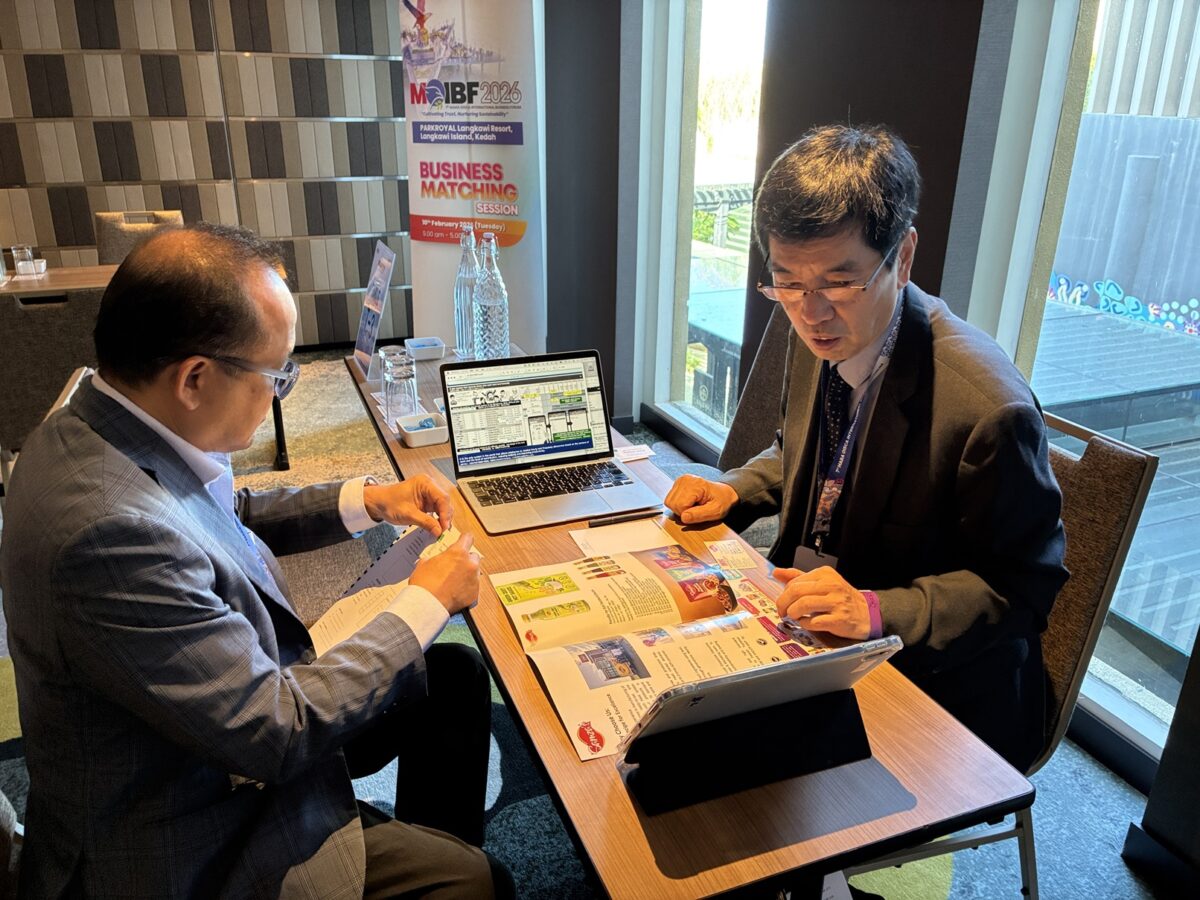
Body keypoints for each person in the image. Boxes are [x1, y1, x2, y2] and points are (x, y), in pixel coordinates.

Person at [0, 223, 512, 898]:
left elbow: (216, 511)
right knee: (476, 882)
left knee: (448, 676)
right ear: (194, 378)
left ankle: (413, 844)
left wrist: (370, 500)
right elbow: (279, 731)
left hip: (202, 731)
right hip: (190, 833)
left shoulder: (88, 421)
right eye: (276, 374)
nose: (279, 393)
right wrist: (428, 600)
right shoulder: (109, 535)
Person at [665, 124, 1069, 771]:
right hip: (809, 619)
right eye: (786, 282)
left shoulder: (990, 410)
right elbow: (803, 448)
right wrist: (734, 489)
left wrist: (877, 610)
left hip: (935, 679)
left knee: (702, 764)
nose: (810, 312)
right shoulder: (816, 326)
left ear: (902, 257)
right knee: (664, 694)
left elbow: (1023, 588)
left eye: (839, 282)